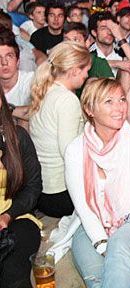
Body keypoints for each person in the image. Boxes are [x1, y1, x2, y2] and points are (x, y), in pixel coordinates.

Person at [65, 78, 130, 287]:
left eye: (122, 99)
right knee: (98, 279)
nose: (119, 108)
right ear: (89, 109)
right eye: (109, 101)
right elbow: (84, 208)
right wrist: (104, 245)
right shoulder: (76, 150)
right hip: (89, 224)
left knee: (120, 255)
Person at [29, 41, 91, 217]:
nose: (87, 75)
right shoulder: (66, 100)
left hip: (43, 191)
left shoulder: (45, 90)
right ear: (74, 71)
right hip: (61, 195)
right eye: (86, 70)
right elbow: (70, 152)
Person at [0, 84, 42, 288]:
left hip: (17, 216)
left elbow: (33, 187)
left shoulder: (17, 137)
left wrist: (7, 215)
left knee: (13, 271)